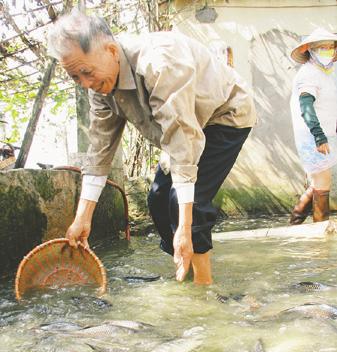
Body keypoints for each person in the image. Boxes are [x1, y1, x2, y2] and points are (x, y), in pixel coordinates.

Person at [48, 9, 256, 285]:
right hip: (183, 127)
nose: (86, 84)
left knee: (188, 205)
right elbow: (99, 151)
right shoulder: (100, 88)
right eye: (76, 78)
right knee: (158, 198)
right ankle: (185, 266)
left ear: (111, 50)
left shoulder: (160, 61)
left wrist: (184, 226)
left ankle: (204, 289)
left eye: (86, 72)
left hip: (225, 115)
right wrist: (82, 218)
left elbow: (182, 138)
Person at [289, 28, 337, 225]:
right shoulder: (309, 74)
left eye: (330, 46)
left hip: (326, 132)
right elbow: (306, 106)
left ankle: (296, 220)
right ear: (311, 50)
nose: (327, 50)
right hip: (313, 135)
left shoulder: (325, 72)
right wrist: (319, 136)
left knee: (318, 180)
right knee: (322, 183)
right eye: (322, 47)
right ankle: (321, 230)